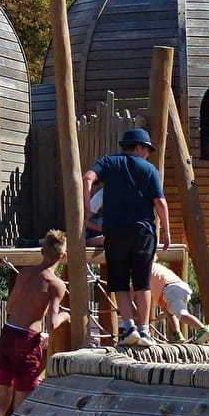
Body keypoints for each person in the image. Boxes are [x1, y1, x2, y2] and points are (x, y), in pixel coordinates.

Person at [82, 128, 170, 348]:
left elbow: (87, 178)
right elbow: (160, 202)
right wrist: (166, 231)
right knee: (142, 282)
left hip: (115, 232)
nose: (148, 154)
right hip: (143, 232)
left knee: (119, 282)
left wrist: (86, 208)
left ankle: (128, 327)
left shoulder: (109, 162)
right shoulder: (149, 169)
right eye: (147, 150)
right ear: (139, 147)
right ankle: (144, 330)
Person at [0, 229, 69, 416]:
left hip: (8, 332)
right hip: (27, 340)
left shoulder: (24, 273)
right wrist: (66, 316)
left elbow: (10, 307)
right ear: (63, 256)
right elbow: (52, 323)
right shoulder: (56, 284)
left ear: (42, 251)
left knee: (2, 400)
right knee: (21, 403)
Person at [147, 262, 209, 343]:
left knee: (182, 314)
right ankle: (177, 335)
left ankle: (202, 329)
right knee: (170, 312)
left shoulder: (145, 268)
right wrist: (164, 313)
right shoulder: (156, 267)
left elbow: (137, 290)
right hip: (177, 288)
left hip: (171, 290)